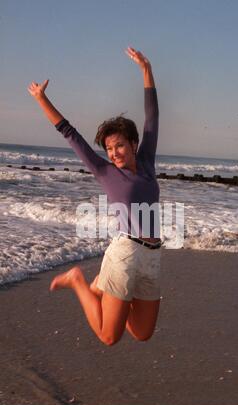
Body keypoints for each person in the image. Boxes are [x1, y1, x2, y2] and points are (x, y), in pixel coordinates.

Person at [28, 47, 162, 346]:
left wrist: (146, 68)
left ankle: (108, 288)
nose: (114, 153)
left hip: (152, 257)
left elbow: (152, 116)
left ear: (133, 143)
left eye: (119, 146)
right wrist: (41, 98)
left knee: (142, 333)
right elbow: (70, 134)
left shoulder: (148, 162)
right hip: (125, 253)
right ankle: (78, 280)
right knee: (108, 336)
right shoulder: (104, 171)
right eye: (109, 148)